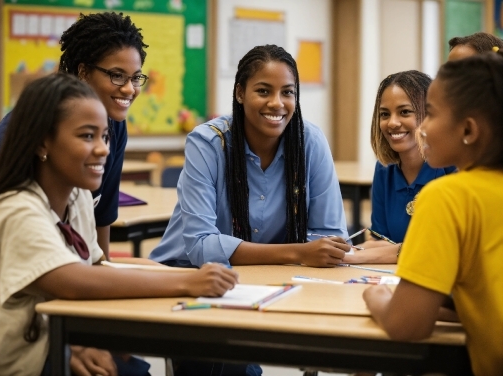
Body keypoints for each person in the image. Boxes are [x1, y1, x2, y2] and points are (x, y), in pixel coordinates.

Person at [0, 74, 238, 376]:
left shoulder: (77, 197)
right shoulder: (16, 208)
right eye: (87, 136)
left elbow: (98, 267)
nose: (103, 149)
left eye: (104, 137)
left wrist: (183, 274)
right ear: (42, 143)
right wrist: (188, 282)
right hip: (9, 364)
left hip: (51, 342)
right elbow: (73, 280)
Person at [0, 12, 146, 257]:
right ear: (84, 72)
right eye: (117, 75)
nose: (130, 89)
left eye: (136, 77)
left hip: (67, 271)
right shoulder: (27, 126)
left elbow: (100, 228)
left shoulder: (114, 126)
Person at [362, 51, 503, 375]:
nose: (422, 128)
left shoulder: (447, 195)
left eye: (432, 114)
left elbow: (407, 325)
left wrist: (376, 296)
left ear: (468, 130)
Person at [149, 44, 350, 270]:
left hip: (271, 276)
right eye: (263, 91)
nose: (277, 103)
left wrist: (309, 252)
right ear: (240, 93)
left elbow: (331, 237)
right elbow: (201, 246)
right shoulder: (207, 143)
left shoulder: (310, 141)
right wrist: (298, 251)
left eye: (287, 92)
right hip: (185, 272)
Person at [343, 71, 454, 264]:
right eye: (384, 114)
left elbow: (441, 247)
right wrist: (347, 251)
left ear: (430, 114)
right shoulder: (384, 169)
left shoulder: (452, 167)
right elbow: (379, 241)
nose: (392, 123)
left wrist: (357, 256)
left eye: (405, 112)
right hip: (395, 276)